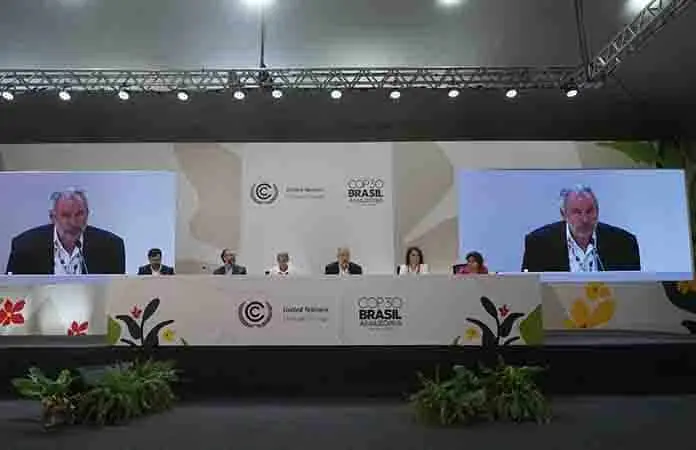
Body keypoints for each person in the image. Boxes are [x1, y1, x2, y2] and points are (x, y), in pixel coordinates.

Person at [521, 185, 641, 272]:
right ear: (563, 214)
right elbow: (530, 290)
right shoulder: (539, 244)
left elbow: (633, 290)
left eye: (589, 211)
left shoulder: (624, 243)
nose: (585, 219)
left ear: (598, 211)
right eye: (577, 212)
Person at [5, 188, 125, 275]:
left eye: (79, 214)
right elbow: (12, 289)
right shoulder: (25, 247)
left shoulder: (111, 246)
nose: (73, 222)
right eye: (66, 215)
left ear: (87, 214)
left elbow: (116, 293)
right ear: (53, 217)